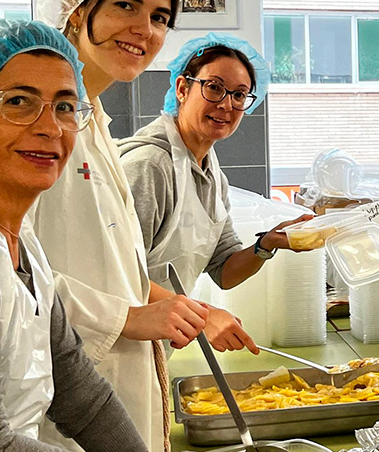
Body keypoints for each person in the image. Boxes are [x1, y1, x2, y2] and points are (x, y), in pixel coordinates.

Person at [0, 18, 225, 452]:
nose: (50, 127)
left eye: (67, 107)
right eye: (19, 102)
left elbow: (76, 389)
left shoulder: (15, 233)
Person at [31, 0, 266, 452]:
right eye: (125, 6)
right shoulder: (44, 135)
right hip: (61, 408)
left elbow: (122, 273)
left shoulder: (94, 126)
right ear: (73, 7)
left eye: (161, 16)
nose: (145, 28)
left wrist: (177, 306)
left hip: (114, 395)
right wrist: (133, 318)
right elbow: (8, 276)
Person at [119, 33, 312, 300]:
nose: (225, 104)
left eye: (239, 95)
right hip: (124, 335)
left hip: (162, 334)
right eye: (213, 87)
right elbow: (118, 275)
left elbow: (225, 271)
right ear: (182, 89)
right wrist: (203, 317)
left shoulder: (211, 177)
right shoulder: (149, 166)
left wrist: (267, 243)